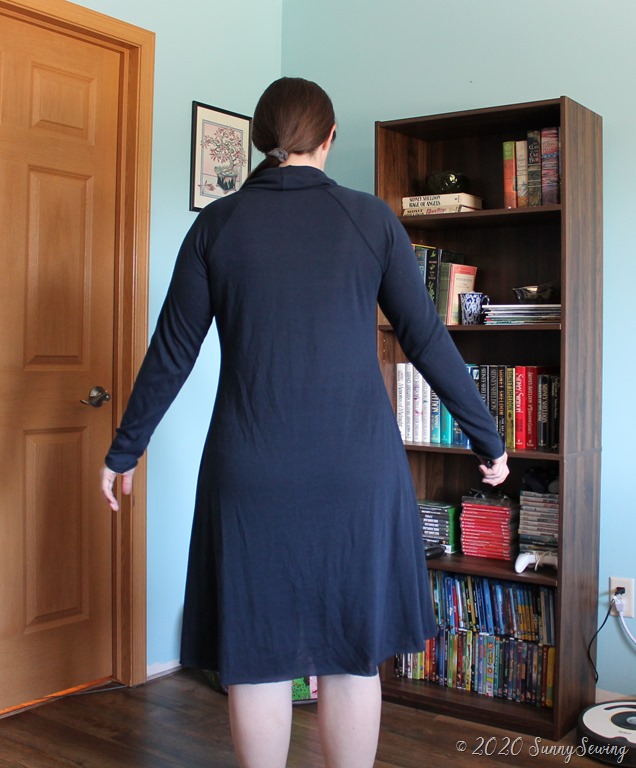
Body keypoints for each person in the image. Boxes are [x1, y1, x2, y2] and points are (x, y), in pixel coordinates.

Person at [100, 77, 509, 768]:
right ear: (329, 137)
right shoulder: (370, 219)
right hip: (355, 470)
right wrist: (487, 438)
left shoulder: (218, 225)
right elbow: (426, 339)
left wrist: (124, 450)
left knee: (256, 653)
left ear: (262, 138)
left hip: (251, 471)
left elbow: (172, 351)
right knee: (353, 652)